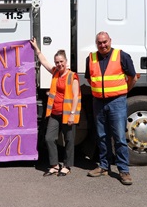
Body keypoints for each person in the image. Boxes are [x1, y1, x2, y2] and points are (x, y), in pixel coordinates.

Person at [85, 31, 137, 185]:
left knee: (119, 137)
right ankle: (103, 166)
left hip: (117, 102)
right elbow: (89, 78)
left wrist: (123, 92)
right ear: (96, 44)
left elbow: (132, 77)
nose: (103, 45)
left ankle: (123, 170)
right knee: (101, 136)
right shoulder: (91, 58)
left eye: (105, 42)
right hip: (99, 102)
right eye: (99, 43)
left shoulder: (122, 56)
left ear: (110, 41)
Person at [30, 38, 81, 177]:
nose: (59, 64)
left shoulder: (72, 76)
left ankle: (67, 166)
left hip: (67, 114)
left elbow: (76, 96)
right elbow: (44, 62)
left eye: (61, 62)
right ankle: (54, 165)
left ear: (66, 62)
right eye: (57, 62)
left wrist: (72, 114)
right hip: (54, 113)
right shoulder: (55, 73)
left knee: (69, 141)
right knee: (49, 138)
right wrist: (36, 48)